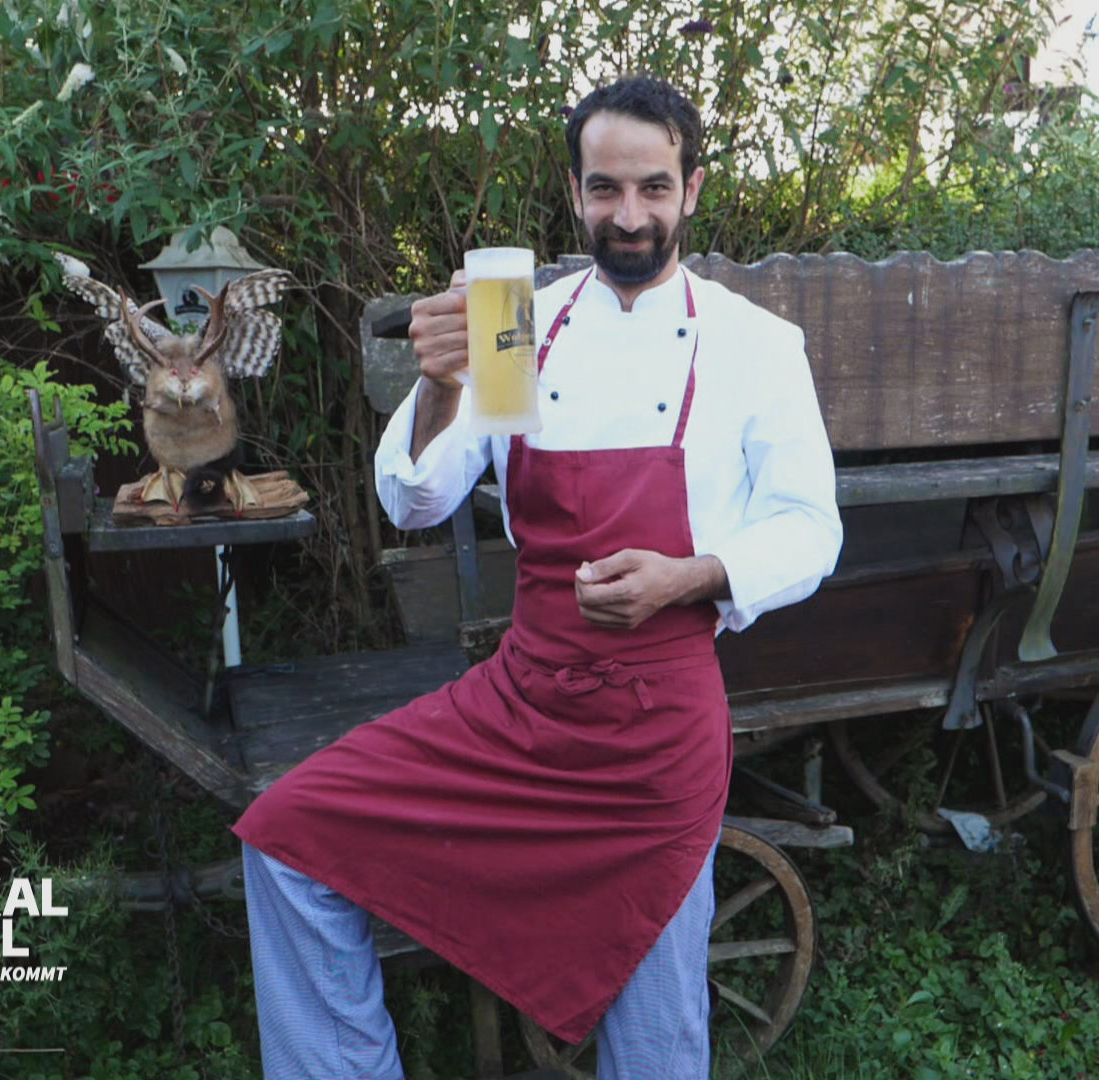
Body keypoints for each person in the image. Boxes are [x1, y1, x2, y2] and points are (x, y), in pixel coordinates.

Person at [230, 74, 842, 1079]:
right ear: (575, 192)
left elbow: (809, 530)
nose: (630, 215)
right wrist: (440, 385)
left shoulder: (755, 346)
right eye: (607, 189)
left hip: (655, 733)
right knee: (291, 839)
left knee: (654, 1035)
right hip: (521, 703)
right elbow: (416, 501)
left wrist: (688, 577)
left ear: (692, 188)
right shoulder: (524, 325)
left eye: (653, 188)